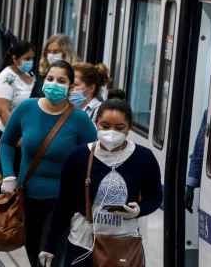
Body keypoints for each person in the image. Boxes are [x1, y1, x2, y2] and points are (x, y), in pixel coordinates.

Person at [40, 90, 163, 267]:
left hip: (124, 245)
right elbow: (63, 205)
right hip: (82, 244)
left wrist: (138, 210)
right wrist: (50, 246)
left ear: (129, 128)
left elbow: (155, 197)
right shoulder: (79, 157)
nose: (111, 133)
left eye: (119, 128)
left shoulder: (143, 158)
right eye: (105, 126)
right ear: (96, 124)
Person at [0, 60, 97, 266]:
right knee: (35, 256)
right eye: (50, 78)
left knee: (50, 257)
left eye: (61, 80)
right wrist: (8, 175)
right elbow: (7, 142)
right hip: (27, 199)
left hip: (62, 204)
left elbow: (93, 158)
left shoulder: (80, 120)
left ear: (70, 87)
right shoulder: (27, 108)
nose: (54, 84)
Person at [0, 41, 36, 175]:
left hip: (28, 135)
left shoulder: (30, 76)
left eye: (32, 58)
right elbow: (2, 109)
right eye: (26, 59)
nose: (30, 62)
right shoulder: (7, 78)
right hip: (12, 137)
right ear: (15, 59)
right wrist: (15, 136)